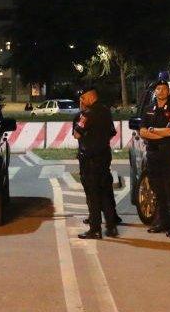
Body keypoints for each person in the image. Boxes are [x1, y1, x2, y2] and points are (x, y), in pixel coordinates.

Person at [72, 87, 119, 239]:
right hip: (104, 156)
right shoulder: (106, 111)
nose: (82, 101)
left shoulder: (87, 114)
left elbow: (77, 134)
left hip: (90, 160)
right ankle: (111, 227)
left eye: (83, 98)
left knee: (92, 195)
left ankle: (95, 229)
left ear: (90, 98)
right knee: (105, 192)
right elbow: (112, 132)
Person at [138, 80, 170, 237]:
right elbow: (142, 132)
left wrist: (152, 130)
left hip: (167, 154)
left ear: (168, 92)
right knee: (157, 190)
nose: (161, 91)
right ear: (155, 92)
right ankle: (162, 222)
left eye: (164, 89)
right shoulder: (149, 109)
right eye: (158, 89)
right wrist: (157, 133)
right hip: (153, 154)